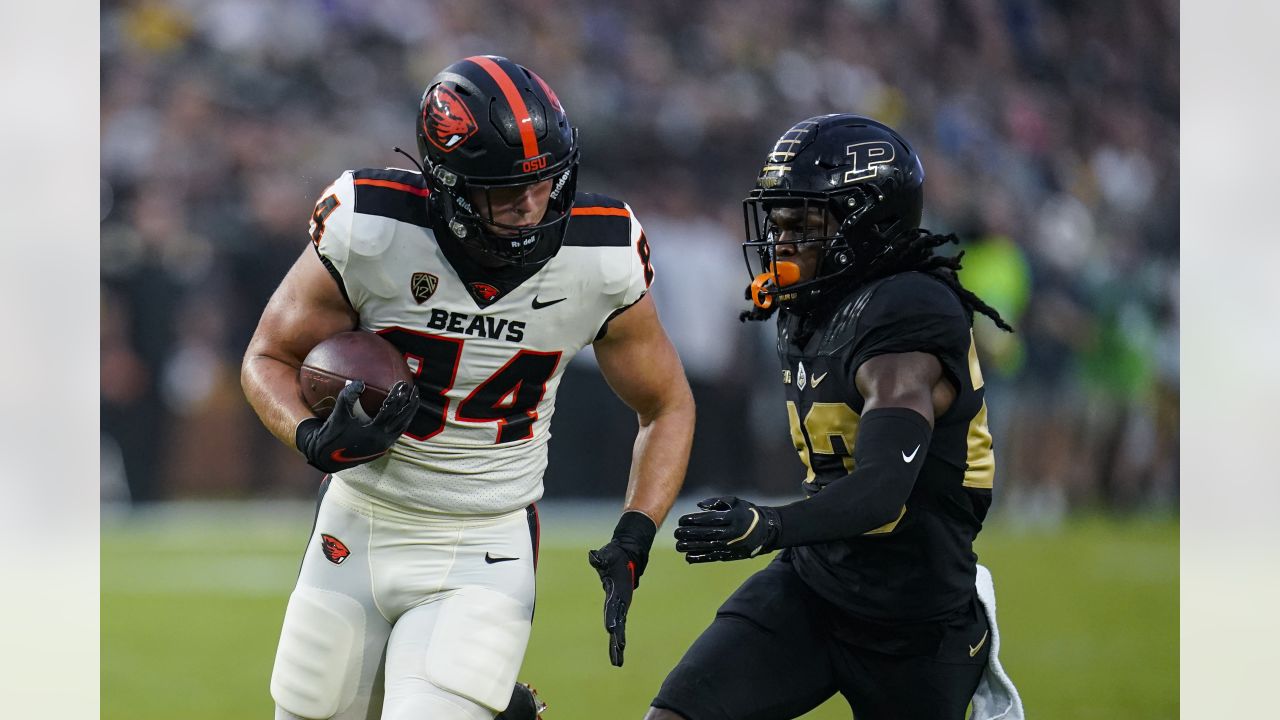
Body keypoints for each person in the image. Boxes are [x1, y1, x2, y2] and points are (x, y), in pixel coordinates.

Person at [241, 55, 694, 720]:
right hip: (357, 522)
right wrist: (308, 433)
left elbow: (667, 404)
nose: (534, 205)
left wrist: (636, 529)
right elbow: (266, 357)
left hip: (482, 538)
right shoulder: (372, 229)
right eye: (508, 190)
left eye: (546, 182)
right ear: (447, 184)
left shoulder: (602, 254)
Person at [646, 114, 1020, 720]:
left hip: (916, 619)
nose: (781, 240)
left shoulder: (909, 311)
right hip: (816, 586)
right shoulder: (817, 301)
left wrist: (769, 524)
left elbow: (881, 492)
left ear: (865, 223)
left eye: (802, 223)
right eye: (777, 221)